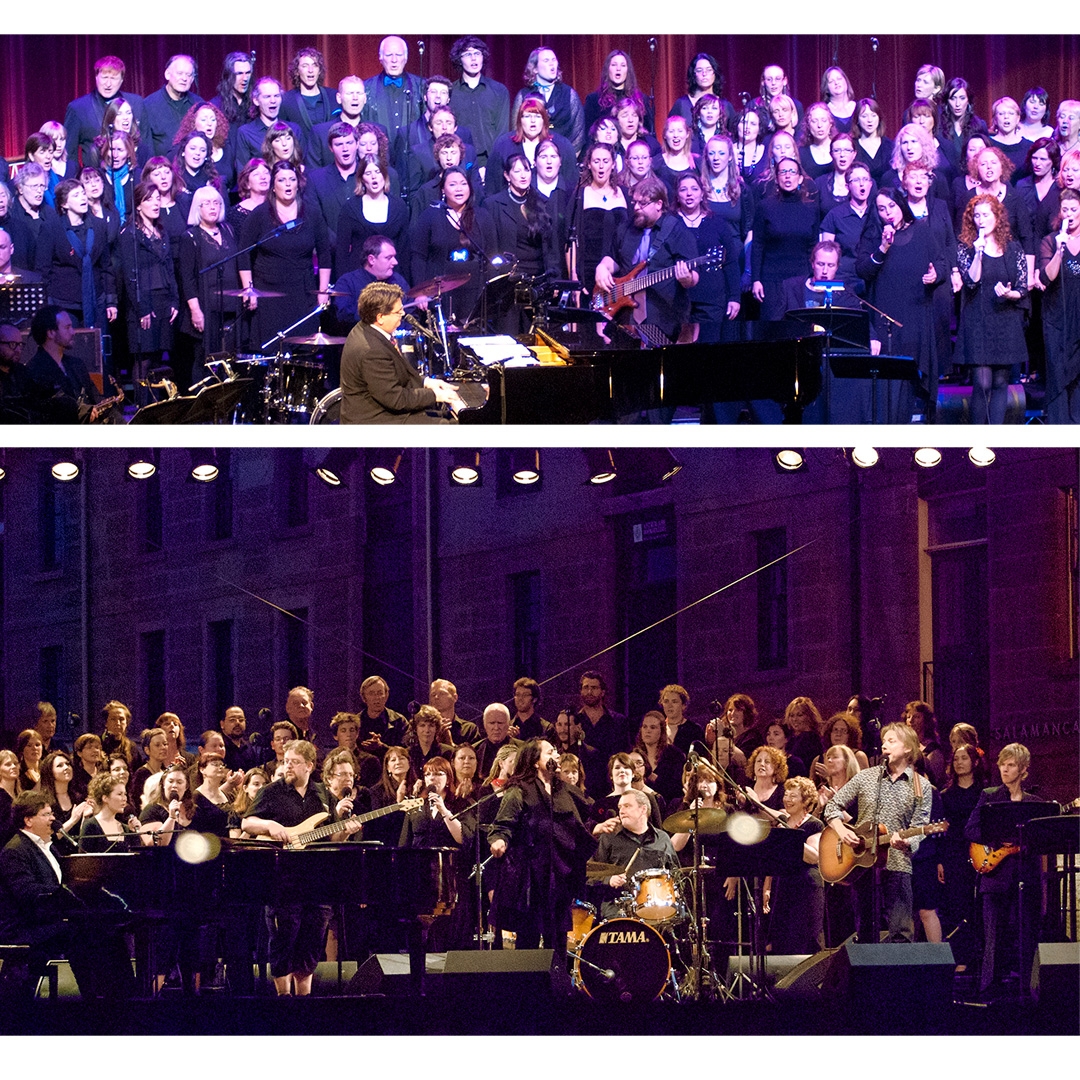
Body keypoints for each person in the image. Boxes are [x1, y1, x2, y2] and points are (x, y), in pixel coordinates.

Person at [0, 791, 136, 1000]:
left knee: (108, 930)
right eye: (46, 814)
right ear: (28, 820)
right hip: (26, 928)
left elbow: (66, 883)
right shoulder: (15, 850)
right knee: (83, 932)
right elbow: (27, 893)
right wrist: (66, 896)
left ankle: (123, 996)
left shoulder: (48, 848)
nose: (52, 818)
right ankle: (94, 999)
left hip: (49, 921)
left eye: (52, 813)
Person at [241, 740, 346, 995]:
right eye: (286, 761)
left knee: (312, 939)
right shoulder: (271, 791)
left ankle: (304, 998)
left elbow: (333, 838)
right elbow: (247, 823)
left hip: (317, 880)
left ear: (309, 765)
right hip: (282, 879)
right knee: (283, 938)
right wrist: (270, 826)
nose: (288, 766)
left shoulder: (323, 794)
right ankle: (283, 997)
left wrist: (345, 829)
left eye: (294, 762)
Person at [824, 723, 932, 943]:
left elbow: (920, 826)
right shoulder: (866, 777)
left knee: (901, 932)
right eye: (883, 741)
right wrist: (841, 830)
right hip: (862, 864)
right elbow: (832, 806)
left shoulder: (921, 786)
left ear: (908, 748)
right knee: (865, 932)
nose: (884, 745)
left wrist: (907, 842)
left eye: (891, 741)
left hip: (897, 864)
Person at [488, 738, 593, 955]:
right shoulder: (519, 790)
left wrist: (597, 828)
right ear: (535, 761)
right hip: (531, 876)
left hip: (559, 874)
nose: (557, 755)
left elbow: (578, 823)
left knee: (558, 939)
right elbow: (503, 824)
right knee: (528, 939)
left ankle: (559, 976)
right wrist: (500, 840)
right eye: (550, 752)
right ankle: (527, 977)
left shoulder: (565, 791)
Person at [856, 187, 948, 423]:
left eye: (892, 206)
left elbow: (941, 264)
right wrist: (883, 248)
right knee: (886, 384)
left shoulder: (922, 231)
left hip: (915, 316)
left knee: (907, 382)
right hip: (885, 318)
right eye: (881, 208)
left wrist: (935, 275)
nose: (888, 212)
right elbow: (863, 271)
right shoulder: (873, 235)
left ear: (901, 205)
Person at [964, 743, 1045, 999]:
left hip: (1025, 877)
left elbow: (1043, 840)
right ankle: (989, 992)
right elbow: (970, 829)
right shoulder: (989, 797)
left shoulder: (1035, 803)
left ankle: (1028, 992)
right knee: (993, 938)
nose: (1005, 769)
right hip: (995, 878)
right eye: (1002, 764)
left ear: (1023, 770)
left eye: (1011, 765)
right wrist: (999, 839)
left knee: (1026, 934)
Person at [594, 175, 699, 347]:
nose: (636, 207)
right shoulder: (626, 228)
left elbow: (693, 277)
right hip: (626, 320)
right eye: (634, 202)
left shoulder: (677, 231)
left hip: (664, 320)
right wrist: (602, 267)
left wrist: (687, 279)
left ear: (659, 204)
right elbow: (613, 259)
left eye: (642, 203)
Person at [339, 280, 462, 424]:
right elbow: (395, 399)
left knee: (451, 418)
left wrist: (426, 382)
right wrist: (434, 395)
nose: (403, 314)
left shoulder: (367, 329)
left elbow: (399, 374)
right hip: (374, 420)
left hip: (384, 410)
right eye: (398, 312)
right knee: (449, 425)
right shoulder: (371, 350)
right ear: (380, 317)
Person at [237, 161, 330, 350]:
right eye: (281, 180)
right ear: (273, 185)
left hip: (303, 293)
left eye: (292, 179)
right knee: (272, 352)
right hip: (269, 295)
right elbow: (243, 254)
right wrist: (249, 290)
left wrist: (323, 291)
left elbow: (324, 253)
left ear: (298, 183)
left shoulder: (312, 213)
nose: (287, 184)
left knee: (302, 353)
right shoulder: (259, 215)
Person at [955, 193, 1028, 423]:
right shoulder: (966, 248)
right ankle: (978, 436)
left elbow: (1022, 288)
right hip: (978, 320)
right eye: (977, 216)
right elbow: (971, 281)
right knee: (982, 382)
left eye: (986, 215)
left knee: (1000, 382)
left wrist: (1009, 294)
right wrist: (978, 253)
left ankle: (996, 436)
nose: (981, 220)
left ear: (997, 217)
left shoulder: (1013, 248)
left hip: (1005, 319)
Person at [409, 166, 496, 327]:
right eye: (452, 184)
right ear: (443, 189)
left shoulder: (483, 217)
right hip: (440, 292)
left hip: (475, 292)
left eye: (463, 184)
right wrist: (421, 293)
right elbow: (418, 257)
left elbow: (491, 255)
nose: (459, 189)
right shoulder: (429, 216)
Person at [117, 180, 178, 397]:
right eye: (149, 199)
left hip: (163, 298)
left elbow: (170, 267)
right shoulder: (129, 234)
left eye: (157, 198)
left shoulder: (161, 231)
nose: (155, 203)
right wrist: (142, 308)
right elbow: (129, 274)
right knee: (144, 358)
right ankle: (142, 406)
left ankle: (158, 405)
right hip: (143, 301)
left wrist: (174, 300)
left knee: (158, 357)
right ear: (138, 204)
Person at [178, 184, 239, 389]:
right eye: (207, 204)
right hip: (206, 307)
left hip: (230, 306)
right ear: (198, 208)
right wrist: (195, 311)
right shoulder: (190, 237)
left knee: (228, 358)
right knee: (204, 360)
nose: (213, 207)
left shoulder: (228, 230)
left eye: (216, 203)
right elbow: (187, 278)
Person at [590, 789, 679, 921]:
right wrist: (609, 879)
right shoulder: (608, 838)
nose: (621, 811)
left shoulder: (662, 838)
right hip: (617, 908)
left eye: (627, 806)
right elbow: (590, 874)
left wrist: (675, 890)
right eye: (620, 807)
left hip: (656, 908)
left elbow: (675, 873)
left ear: (643, 809)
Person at [751, 156, 821, 322]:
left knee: (802, 327)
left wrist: (814, 278)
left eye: (792, 172)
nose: (787, 176)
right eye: (783, 172)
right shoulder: (765, 206)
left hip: (801, 278)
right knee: (773, 328)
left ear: (800, 178)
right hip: (772, 280)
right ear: (777, 178)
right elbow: (758, 245)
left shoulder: (811, 207)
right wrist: (756, 280)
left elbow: (813, 246)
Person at [763, 776, 824, 955]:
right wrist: (767, 887)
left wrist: (790, 836)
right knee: (782, 938)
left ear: (805, 801)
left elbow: (814, 857)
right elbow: (773, 860)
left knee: (805, 936)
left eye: (793, 796)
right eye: (786, 795)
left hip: (806, 885)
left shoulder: (815, 824)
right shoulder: (781, 824)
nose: (787, 799)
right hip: (783, 886)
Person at [938, 741, 986, 967]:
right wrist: (940, 861)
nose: (959, 762)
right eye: (955, 759)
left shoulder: (984, 793)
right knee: (956, 905)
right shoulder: (945, 795)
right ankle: (960, 957)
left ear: (975, 762)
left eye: (964, 758)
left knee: (979, 906)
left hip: (981, 852)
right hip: (954, 854)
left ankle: (982, 958)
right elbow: (940, 831)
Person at [24, 305, 108, 423]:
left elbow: (95, 398)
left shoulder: (77, 364)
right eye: (67, 327)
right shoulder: (34, 371)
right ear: (51, 333)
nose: (73, 332)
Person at [1039, 188, 1080, 422]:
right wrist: (1059, 250)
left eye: (1074, 209)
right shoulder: (1050, 241)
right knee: (1057, 373)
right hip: (1056, 316)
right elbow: (1047, 278)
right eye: (1066, 210)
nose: (1070, 214)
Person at [64, 55, 144, 168]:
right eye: (104, 77)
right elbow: (69, 152)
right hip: (96, 174)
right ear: (96, 77)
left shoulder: (136, 103)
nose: (108, 84)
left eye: (113, 78)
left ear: (122, 80)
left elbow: (146, 142)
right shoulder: (78, 108)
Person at [449, 37, 510, 179]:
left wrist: (492, 165)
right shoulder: (451, 92)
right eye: (468, 54)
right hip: (460, 161)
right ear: (459, 59)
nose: (473, 58)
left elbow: (502, 131)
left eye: (477, 53)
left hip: (492, 161)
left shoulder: (499, 90)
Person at [510, 46, 585, 156]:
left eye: (553, 60)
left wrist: (569, 158)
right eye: (546, 60)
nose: (551, 64)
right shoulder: (523, 95)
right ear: (535, 69)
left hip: (563, 156)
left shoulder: (569, 94)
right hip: (530, 156)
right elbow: (516, 129)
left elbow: (578, 132)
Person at [362, 36, 424, 154]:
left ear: (406, 58)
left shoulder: (421, 86)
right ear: (380, 58)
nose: (394, 60)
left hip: (412, 158)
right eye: (389, 55)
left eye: (399, 55)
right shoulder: (366, 88)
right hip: (377, 157)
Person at [280, 47, 338, 163]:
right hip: (302, 163)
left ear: (319, 70)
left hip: (332, 161)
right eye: (305, 66)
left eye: (315, 65)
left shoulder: (334, 96)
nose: (310, 70)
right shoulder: (286, 100)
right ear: (297, 71)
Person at [142, 55, 201, 156]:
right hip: (162, 164)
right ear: (167, 74)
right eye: (179, 73)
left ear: (192, 79)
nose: (184, 78)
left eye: (189, 75)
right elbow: (146, 145)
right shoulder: (149, 105)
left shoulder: (198, 105)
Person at [670, 53, 734, 133]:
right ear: (693, 75)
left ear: (715, 73)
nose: (704, 74)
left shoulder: (725, 105)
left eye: (709, 70)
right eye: (699, 70)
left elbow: (734, 135)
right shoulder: (682, 104)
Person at [406, 705, 455, 777]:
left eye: (431, 725)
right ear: (415, 728)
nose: (427, 730)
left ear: (436, 728)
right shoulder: (408, 753)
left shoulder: (448, 752)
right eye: (422, 725)